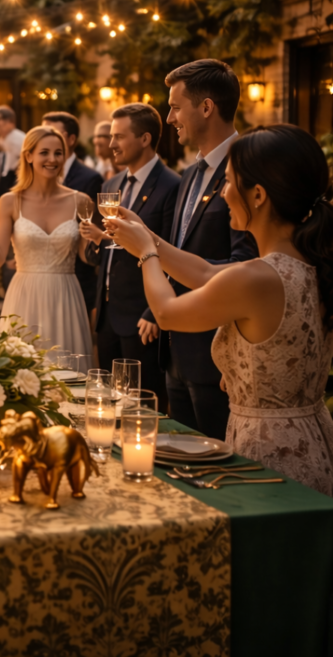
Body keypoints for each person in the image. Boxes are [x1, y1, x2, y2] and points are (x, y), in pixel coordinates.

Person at [107, 124, 333, 496]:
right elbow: (205, 274)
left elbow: (166, 313)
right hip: (314, 441)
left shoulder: (255, 278)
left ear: (257, 195)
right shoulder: (306, 262)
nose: (223, 192)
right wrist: (148, 235)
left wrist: (146, 253)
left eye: (227, 182)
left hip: (268, 452)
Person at [161, 59, 257, 439]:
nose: (169, 118)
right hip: (176, 353)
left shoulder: (248, 169)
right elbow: (181, 248)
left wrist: (149, 247)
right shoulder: (189, 174)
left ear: (206, 108)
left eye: (175, 107)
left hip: (218, 359)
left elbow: (246, 264)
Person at [80, 104, 180, 403]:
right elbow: (105, 252)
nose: (111, 144)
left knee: (143, 404)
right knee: (108, 403)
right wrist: (96, 241)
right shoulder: (111, 184)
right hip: (107, 317)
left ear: (145, 139)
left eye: (119, 137)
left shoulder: (172, 185)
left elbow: (175, 251)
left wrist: (154, 313)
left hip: (142, 317)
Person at [0, 126, 93, 355]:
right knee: (21, 365)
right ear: (28, 156)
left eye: (58, 153)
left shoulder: (81, 201)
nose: (52, 159)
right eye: (44, 152)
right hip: (24, 295)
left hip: (65, 296)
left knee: (66, 365)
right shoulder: (10, 201)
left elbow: (88, 258)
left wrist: (94, 238)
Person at [42, 111, 103, 310]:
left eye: (53, 133)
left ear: (71, 139)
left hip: (75, 278)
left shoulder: (90, 179)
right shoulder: (33, 180)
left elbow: (92, 232)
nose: (47, 138)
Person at [0, 105, 25, 202]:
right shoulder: (1, 139)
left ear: (10, 122)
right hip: (12, 173)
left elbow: (23, 162)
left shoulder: (16, 139)